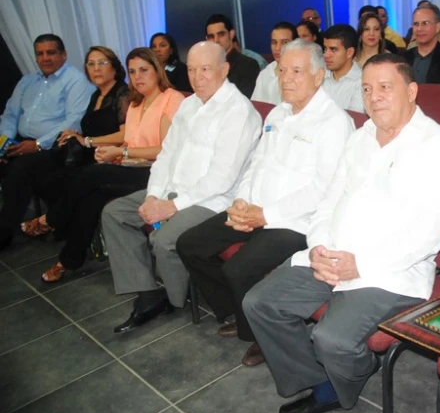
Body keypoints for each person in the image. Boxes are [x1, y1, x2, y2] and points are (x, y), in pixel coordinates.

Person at [242, 53, 440, 413]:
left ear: (411, 91)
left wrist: (360, 265)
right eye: (366, 88)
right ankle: (320, 380)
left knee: (331, 340)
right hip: (333, 255)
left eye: (384, 88)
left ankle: (355, 371)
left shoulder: (437, 146)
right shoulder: (361, 137)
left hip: (389, 271)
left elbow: (429, 232)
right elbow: (329, 200)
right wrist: (318, 247)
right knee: (261, 303)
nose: (373, 96)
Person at [177, 39, 354, 367]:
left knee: (238, 268)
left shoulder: (334, 123)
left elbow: (323, 190)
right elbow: (255, 163)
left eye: (297, 71)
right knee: (189, 244)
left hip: (296, 223)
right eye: (283, 70)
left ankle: (259, 332)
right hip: (255, 211)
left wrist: (265, 215)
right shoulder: (278, 113)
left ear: (319, 76)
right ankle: (238, 308)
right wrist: (242, 201)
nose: (286, 78)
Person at [102, 41, 262, 334]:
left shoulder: (238, 111)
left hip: (212, 200)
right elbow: (166, 156)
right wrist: (153, 196)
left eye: (205, 69)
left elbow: (221, 178)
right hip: (173, 190)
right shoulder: (188, 106)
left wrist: (172, 206)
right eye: (191, 69)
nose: (197, 77)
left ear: (224, 69)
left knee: (164, 241)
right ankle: (149, 292)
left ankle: (174, 301)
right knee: (114, 213)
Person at [33, 48, 184, 282]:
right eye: (133, 72)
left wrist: (121, 151)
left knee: (91, 175)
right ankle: (68, 260)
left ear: (157, 70)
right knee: (91, 198)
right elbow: (129, 141)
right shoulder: (136, 103)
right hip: (133, 166)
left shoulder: (171, 99)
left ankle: (51, 219)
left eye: (144, 70)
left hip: (158, 173)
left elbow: (164, 150)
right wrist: (112, 154)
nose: (137, 77)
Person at [0, 47, 128, 254]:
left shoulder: (122, 93)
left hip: (105, 156)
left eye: (102, 63)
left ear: (114, 67)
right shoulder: (96, 94)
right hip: (83, 151)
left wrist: (85, 140)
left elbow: (125, 135)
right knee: (33, 171)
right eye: (91, 64)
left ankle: (51, 221)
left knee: (53, 177)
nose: (96, 69)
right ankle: (62, 224)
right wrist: (72, 135)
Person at [0, 34, 94, 249]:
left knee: (19, 170)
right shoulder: (28, 81)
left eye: (51, 52)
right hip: (20, 142)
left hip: (54, 145)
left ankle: (4, 232)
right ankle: (57, 220)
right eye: (40, 54)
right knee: (12, 164)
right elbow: (11, 114)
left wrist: (39, 144)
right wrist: (3, 144)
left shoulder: (75, 80)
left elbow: (74, 121)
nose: (45, 58)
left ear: (63, 54)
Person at [205, 14, 260, 98]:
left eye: (221, 35)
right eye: (211, 36)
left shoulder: (248, 65)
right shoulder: (205, 68)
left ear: (231, 34)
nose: (216, 41)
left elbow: (244, 102)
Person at [251, 22, 298, 104]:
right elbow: (257, 107)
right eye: (274, 42)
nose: (277, 48)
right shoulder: (265, 73)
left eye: (284, 42)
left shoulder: (304, 73)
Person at [322, 25, 364, 113]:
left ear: (349, 52)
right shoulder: (320, 75)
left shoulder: (362, 81)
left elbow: (354, 121)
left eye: (333, 50)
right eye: (325, 49)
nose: (326, 55)